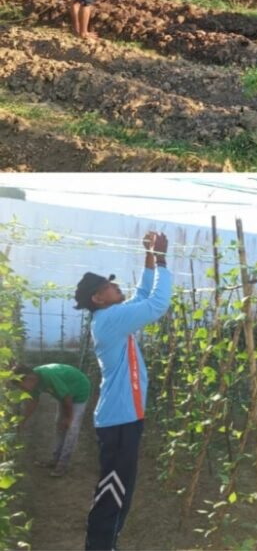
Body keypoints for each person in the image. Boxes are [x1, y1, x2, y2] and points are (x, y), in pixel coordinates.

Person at [75, 231, 173, 551]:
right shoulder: (111, 320)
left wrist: (147, 258)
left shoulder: (111, 316)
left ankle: (105, 544)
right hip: (120, 421)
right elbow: (157, 303)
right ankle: (100, 546)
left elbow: (143, 297)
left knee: (117, 490)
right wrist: (161, 258)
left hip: (122, 418)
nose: (116, 286)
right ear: (98, 298)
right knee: (114, 492)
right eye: (109, 285)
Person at [14, 362, 92, 477]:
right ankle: (55, 460)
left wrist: (69, 418)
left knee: (71, 428)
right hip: (65, 395)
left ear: (29, 378)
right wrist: (23, 420)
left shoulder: (48, 375)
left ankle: (62, 465)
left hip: (79, 390)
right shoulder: (34, 382)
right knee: (59, 425)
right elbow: (33, 402)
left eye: (21, 386)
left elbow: (67, 397)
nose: (22, 390)